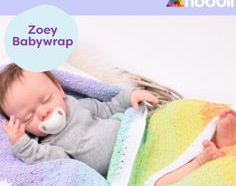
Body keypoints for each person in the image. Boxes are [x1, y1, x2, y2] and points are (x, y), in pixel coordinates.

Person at [0, 63, 158, 177]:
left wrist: (129, 97)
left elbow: (110, 108)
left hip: (136, 137)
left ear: (59, 89)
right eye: (29, 117)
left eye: (47, 99)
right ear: (23, 128)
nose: (43, 112)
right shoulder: (49, 145)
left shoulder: (79, 107)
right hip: (122, 172)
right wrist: (22, 144)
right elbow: (59, 163)